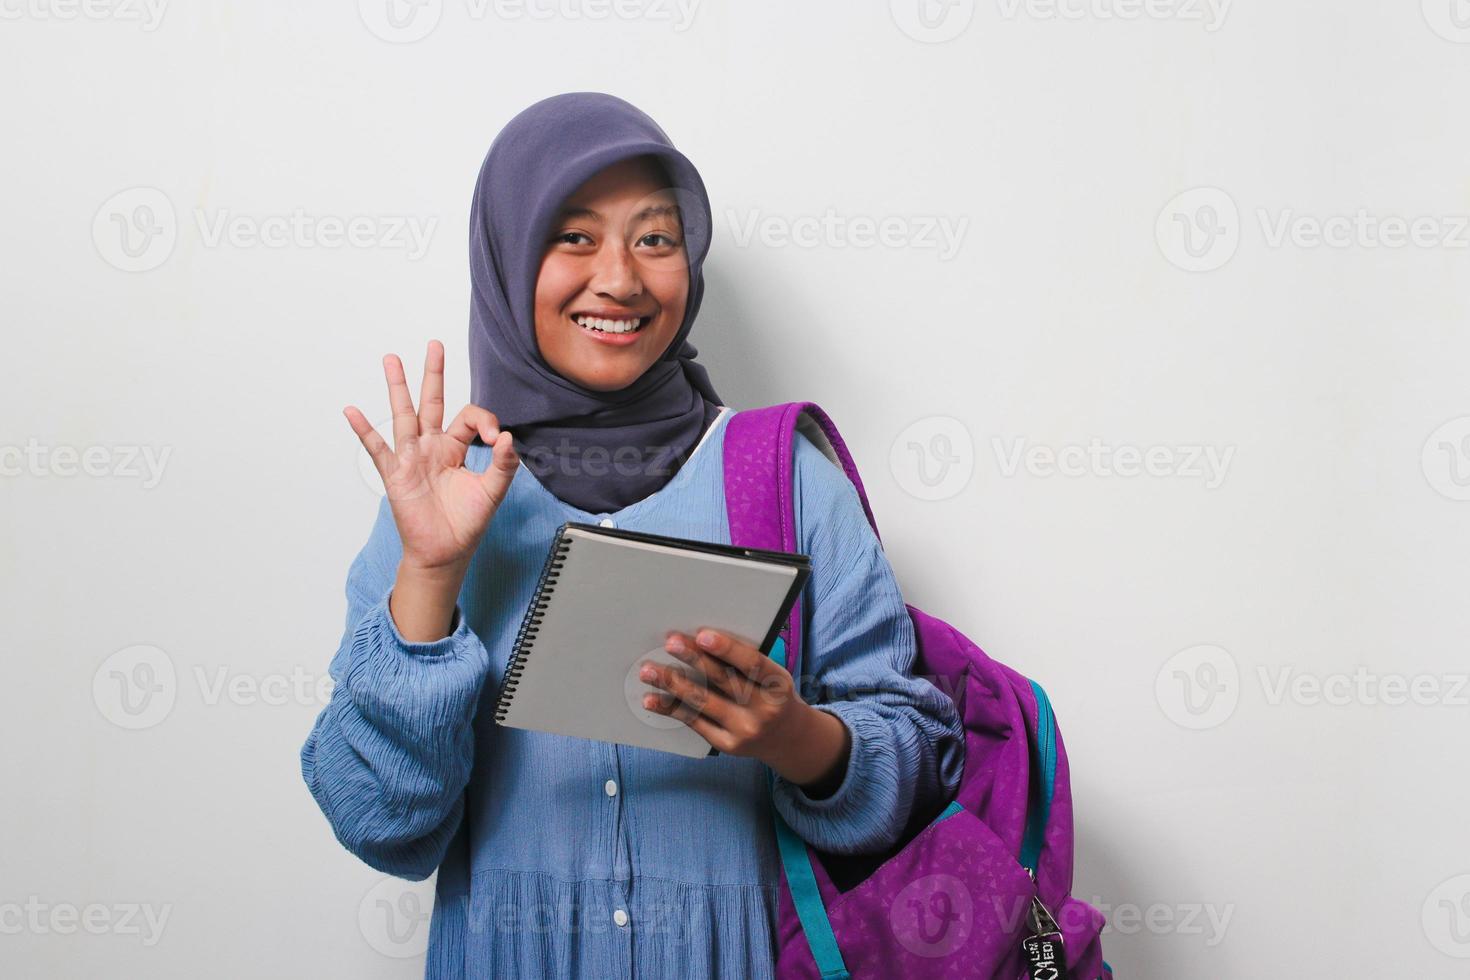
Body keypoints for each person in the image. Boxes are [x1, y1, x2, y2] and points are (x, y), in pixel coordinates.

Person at [299, 91, 965, 979]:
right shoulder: (439, 499)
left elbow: (922, 763)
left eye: (655, 238)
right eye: (573, 236)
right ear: (506, 255)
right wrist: (428, 574)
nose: (620, 278)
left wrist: (792, 736)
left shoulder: (782, 475)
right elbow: (382, 825)